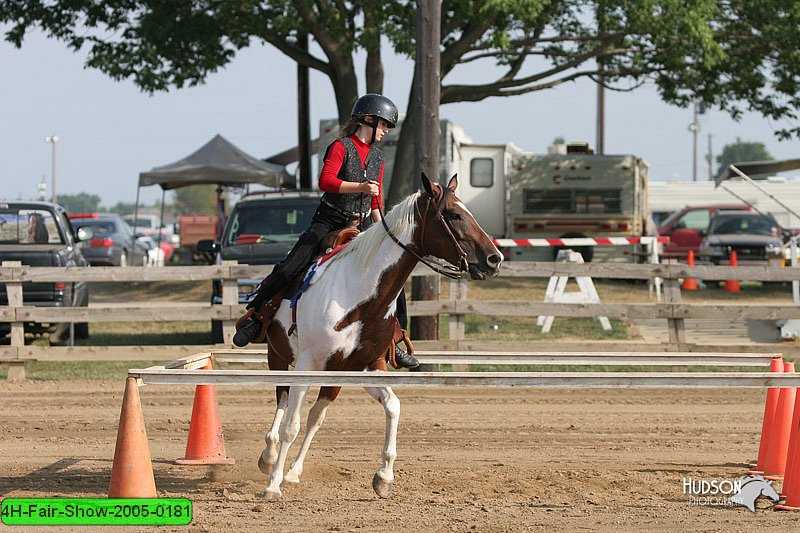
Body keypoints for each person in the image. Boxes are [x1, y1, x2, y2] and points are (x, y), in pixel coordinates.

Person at [233, 93, 419, 369]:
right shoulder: (340, 147)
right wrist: (361, 188)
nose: (385, 132)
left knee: (394, 280)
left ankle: (395, 339)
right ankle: (257, 316)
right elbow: (326, 181)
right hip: (329, 221)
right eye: (383, 126)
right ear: (368, 120)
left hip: (364, 224)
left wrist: (383, 231)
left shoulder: (378, 157)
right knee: (290, 266)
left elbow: (376, 198)